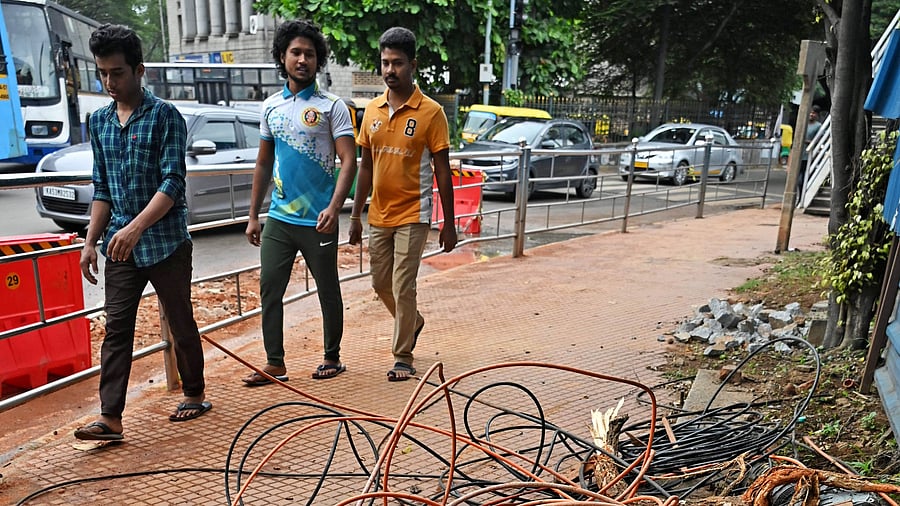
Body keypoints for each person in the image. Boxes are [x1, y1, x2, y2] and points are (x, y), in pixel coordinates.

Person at [74, 24, 210, 441]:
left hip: (165, 241)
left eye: (117, 73)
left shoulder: (165, 116)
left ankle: (193, 392)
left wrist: (136, 227)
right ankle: (110, 417)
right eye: (102, 74)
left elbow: (172, 183)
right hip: (119, 244)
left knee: (180, 319)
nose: (109, 82)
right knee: (117, 327)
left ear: (139, 70)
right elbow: (103, 188)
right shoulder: (98, 122)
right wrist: (90, 241)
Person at [242, 19, 357, 385]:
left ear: (318, 59)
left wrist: (335, 207)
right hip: (279, 217)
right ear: (282, 57)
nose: (302, 59)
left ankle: (331, 356)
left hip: (319, 219)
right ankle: (274, 362)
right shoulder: (271, 107)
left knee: (327, 288)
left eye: (309, 53)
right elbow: (263, 162)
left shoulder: (332, 106)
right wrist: (253, 216)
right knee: (270, 288)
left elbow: (349, 160)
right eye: (295, 52)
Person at [349, 27, 457, 382]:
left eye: (397, 63)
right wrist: (355, 214)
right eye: (384, 63)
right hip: (379, 214)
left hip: (414, 213)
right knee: (380, 284)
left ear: (413, 64)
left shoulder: (431, 113)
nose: (390, 70)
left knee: (402, 285)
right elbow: (365, 166)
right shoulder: (372, 112)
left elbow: (442, 170)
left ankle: (403, 355)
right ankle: (414, 322)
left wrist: (450, 223)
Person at [797, 105, 822, 204]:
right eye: (810, 112)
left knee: (803, 179)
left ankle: (802, 199)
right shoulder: (803, 124)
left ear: (817, 115)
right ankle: (799, 198)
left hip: (809, 156)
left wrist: (808, 142)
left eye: (814, 113)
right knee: (798, 179)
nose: (811, 114)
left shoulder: (818, 126)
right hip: (799, 155)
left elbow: (819, 140)